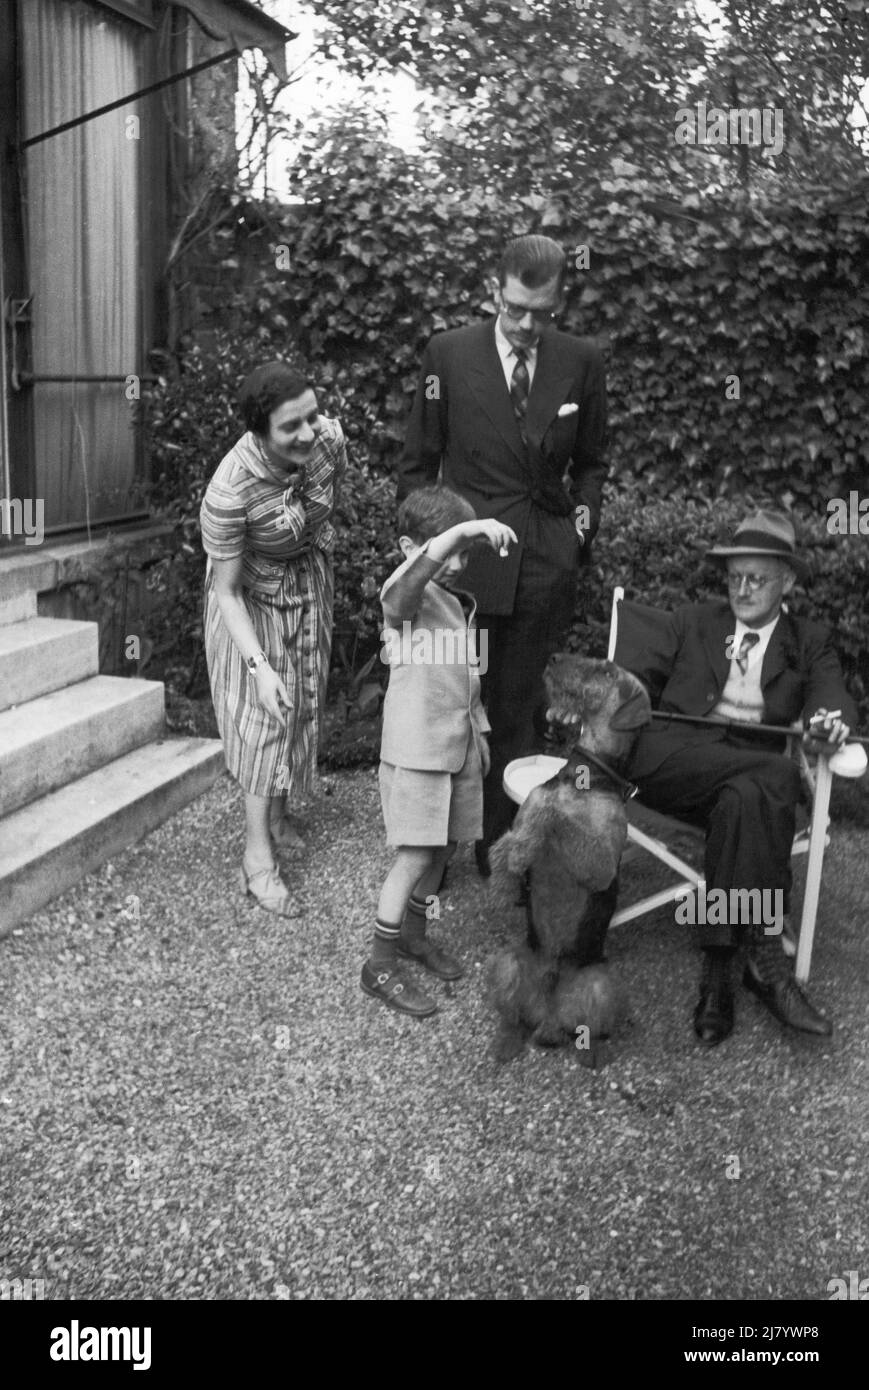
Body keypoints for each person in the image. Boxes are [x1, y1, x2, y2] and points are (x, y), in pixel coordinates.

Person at [398, 234, 607, 875]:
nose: (526, 324)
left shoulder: (582, 360)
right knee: (458, 707)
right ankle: (429, 850)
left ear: (559, 303)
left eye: (541, 313)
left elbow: (594, 462)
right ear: (494, 291)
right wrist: (430, 550)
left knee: (518, 707)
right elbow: (416, 463)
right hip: (469, 561)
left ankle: (501, 849)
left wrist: (577, 536)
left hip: (544, 561)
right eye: (515, 308)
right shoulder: (448, 354)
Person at [621, 509, 856, 1046]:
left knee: (746, 796)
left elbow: (831, 695)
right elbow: (635, 683)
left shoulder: (809, 638)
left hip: (741, 787)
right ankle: (766, 960)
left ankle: (720, 968)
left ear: (787, 581)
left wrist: (831, 721)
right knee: (773, 774)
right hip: (674, 761)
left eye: (757, 578)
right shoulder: (692, 621)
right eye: (735, 578)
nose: (742, 590)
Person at [362, 486, 517, 1017]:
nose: (458, 562)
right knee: (414, 856)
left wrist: (482, 736)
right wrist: (460, 533)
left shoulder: (453, 605)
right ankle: (379, 964)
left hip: (457, 750)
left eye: (465, 554)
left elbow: (465, 681)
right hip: (417, 755)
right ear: (412, 547)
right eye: (449, 550)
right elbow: (406, 588)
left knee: (443, 849)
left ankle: (414, 934)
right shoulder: (402, 594)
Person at [200, 361, 346, 915]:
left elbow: (325, 503)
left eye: (312, 416)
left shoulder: (327, 441)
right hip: (248, 605)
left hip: (307, 585)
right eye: (292, 427)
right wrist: (258, 668)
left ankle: (280, 816)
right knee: (262, 719)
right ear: (260, 431)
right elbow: (226, 592)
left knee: (301, 700)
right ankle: (256, 857)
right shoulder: (230, 489)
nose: (309, 432)